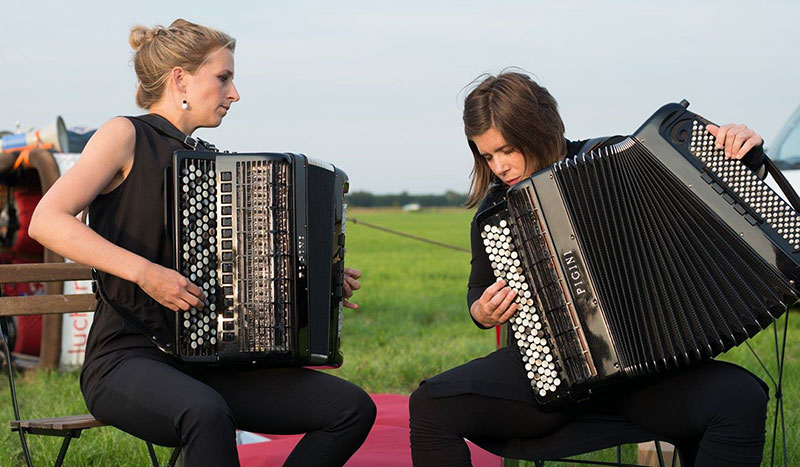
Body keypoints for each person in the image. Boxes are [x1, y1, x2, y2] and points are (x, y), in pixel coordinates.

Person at [29, 19, 375, 467]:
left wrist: (316, 280)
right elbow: (46, 220)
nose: (234, 93)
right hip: (126, 357)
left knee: (350, 410)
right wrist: (146, 274)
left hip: (211, 357)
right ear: (180, 78)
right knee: (205, 413)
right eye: (224, 77)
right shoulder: (125, 135)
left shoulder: (213, 164)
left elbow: (245, 267)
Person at [409, 71, 770, 467]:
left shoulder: (619, 159)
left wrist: (743, 152)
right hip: (551, 372)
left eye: (508, 150)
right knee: (429, 405)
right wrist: (481, 310)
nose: (500, 167)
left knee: (739, 397)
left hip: (647, 378)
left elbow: (716, 193)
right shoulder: (498, 210)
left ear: (539, 129)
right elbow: (478, 289)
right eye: (487, 155)